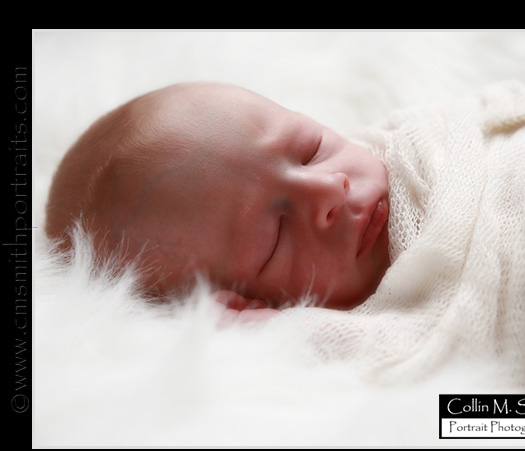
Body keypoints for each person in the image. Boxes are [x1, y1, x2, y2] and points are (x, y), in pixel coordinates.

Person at [45, 82, 391, 320]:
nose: (329, 188)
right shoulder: (372, 326)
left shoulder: (404, 145)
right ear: (245, 305)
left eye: (311, 150)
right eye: (275, 238)